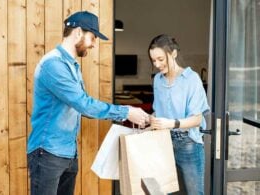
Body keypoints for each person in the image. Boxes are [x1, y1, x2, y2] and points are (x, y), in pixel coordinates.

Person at [27, 11, 149, 195]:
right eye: (92, 37)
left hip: (67, 153)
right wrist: (126, 112)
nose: (93, 44)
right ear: (78, 33)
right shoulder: (54, 65)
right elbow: (83, 104)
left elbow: (82, 108)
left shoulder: (71, 66)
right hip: (48, 153)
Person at [148, 34, 210, 195]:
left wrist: (171, 123)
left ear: (173, 53)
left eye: (161, 59)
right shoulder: (157, 80)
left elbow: (197, 119)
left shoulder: (191, 79)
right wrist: (149, 118)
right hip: (162, 142)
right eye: (154, 60)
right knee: (159, 192)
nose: (157, 64)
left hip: (188, 144)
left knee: (194, 192)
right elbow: (158, 110)